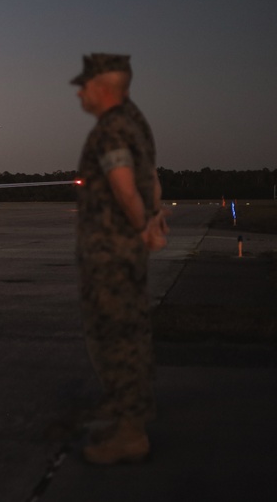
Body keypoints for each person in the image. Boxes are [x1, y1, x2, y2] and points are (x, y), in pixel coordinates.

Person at [71, 53, 167, 465]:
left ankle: (130, 434)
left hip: (110, 253)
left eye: (85, 86)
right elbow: (152, 179)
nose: (79, 93)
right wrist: (154, 217)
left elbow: (125, 186)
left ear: (103, 89)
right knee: (131, 332)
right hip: (125, 251)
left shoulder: (111, 129)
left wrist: (143, 224)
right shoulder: (136, 121)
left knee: (114, 339)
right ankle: (128, 417)